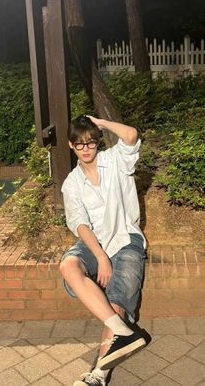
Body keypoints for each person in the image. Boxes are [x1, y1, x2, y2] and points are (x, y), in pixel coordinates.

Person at [60, 115, 147, 386]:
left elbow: (131, 135)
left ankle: (98, 374)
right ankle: (125, 334)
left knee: (117, 302)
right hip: (94, 242)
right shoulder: (72, 183)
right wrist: (99, 256)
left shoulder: (114, 161)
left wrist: (102, 123)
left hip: (126, 239)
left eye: (90, 143)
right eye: (79, 144)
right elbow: (79, 224)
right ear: (70, 146)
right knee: (68, 266)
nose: (86, 149)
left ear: (97, 143)